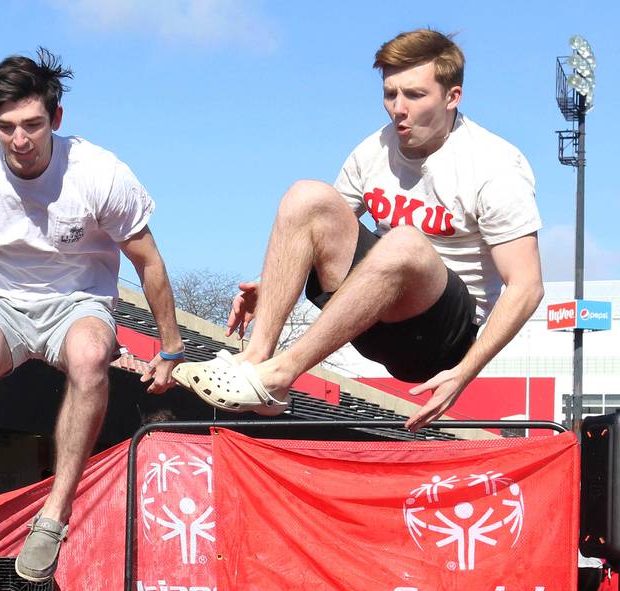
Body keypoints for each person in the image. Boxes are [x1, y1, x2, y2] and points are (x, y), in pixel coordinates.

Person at [0, 48, 184, 589]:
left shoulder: (100, 173)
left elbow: (147, 260)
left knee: (89, 355)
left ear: (55, 119)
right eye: (6, 127)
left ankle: (54, 514)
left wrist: (170, 346)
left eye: (32, 125)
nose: (20, 140)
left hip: (79, 300)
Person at [173, 29, 543, 431]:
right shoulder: (374, 150)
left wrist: (464, 373)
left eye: (415, 95)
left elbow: (527, 286)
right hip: (372, 317)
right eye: (390, 94)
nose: (398, 109)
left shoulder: (494, 166)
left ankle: (279, 377)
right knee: (307, 195)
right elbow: (316, 228)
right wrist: (272, 284)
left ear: (452, 97)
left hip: (440, 340)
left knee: (404, 241)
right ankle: (257, 359)